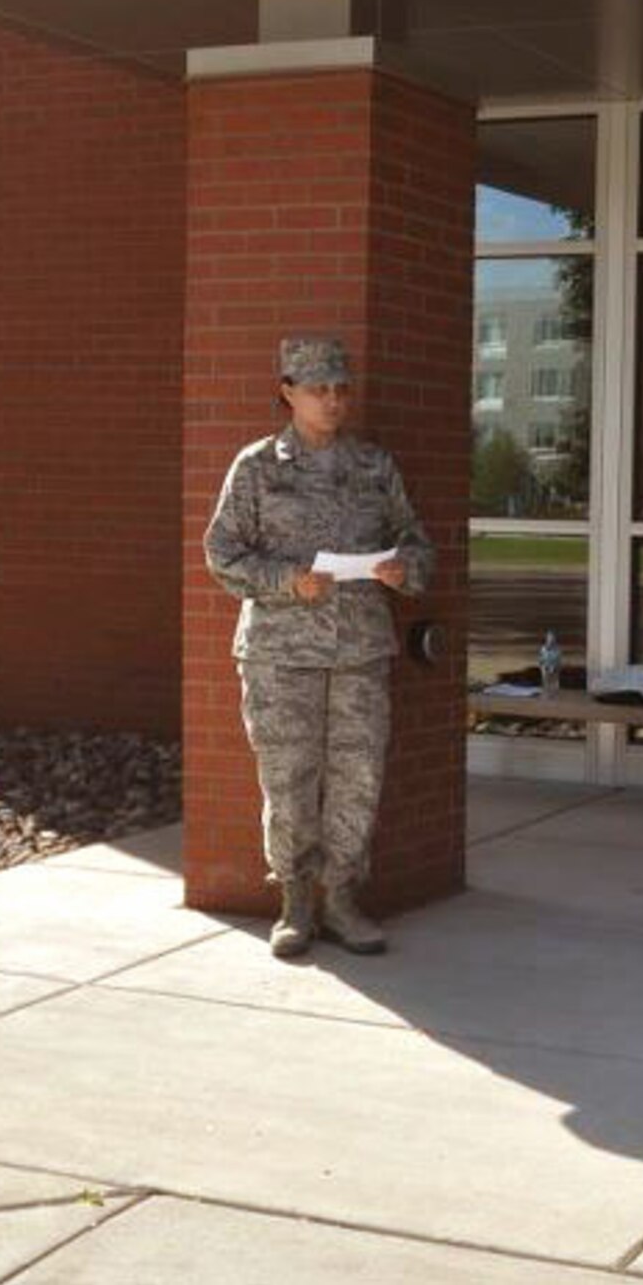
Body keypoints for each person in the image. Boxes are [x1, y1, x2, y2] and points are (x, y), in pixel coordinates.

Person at [203, 337, 435, 960]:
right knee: (288, 781)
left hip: (359, 651)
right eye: (318, 390)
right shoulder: (256, 467)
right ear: (287, 392)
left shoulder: (373, 466)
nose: (333, 401)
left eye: (340, 389)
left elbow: (418, 544)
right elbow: (221, 554)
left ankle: (342, 899)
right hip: (281, 654)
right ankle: (295, 901)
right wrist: (287, 580)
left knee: (358, 777)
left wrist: (401, 570)